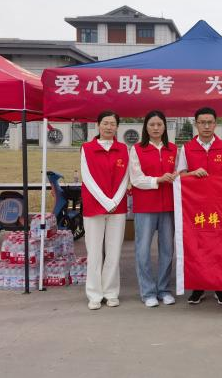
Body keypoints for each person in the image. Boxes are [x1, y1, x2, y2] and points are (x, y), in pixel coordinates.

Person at [176, 107, 222, 306]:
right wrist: (192, 173)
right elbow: (180, 175)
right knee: (197, 247)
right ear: (196, 124)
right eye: (202, 122)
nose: (206, 126)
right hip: (195, 208)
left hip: (219, 207)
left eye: (210, 122)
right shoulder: (187, 148)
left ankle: (219, 286)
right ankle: (198, 286)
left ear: (215, 124)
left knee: (219, 246)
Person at [80, 110, 129, 310]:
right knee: (94, 252)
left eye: (112, 124)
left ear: (117, 127)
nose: (109, 127)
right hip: (94, 207)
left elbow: (126, 177)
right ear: (98, 125)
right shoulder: (87, 148)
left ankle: (111, 292)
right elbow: (87, 177)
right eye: (105, 123)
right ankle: (94, 294)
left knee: (113, 252)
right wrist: (105, 201)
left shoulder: (123, 149)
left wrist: (114, 201)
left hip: (118, 207)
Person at [129, 110, 178, 308]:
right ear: (146, 127)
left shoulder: (173, 149)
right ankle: (148, 291)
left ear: (165, 127)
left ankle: (164, 289)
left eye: (159, 124)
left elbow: (179, 173)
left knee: (167, 250)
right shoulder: (137, 149)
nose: (156, 128)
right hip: (145, 207)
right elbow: (136, 179)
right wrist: (158, 180)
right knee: (143, 250)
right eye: (152, 125)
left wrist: (177, 176)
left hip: (168, 206)